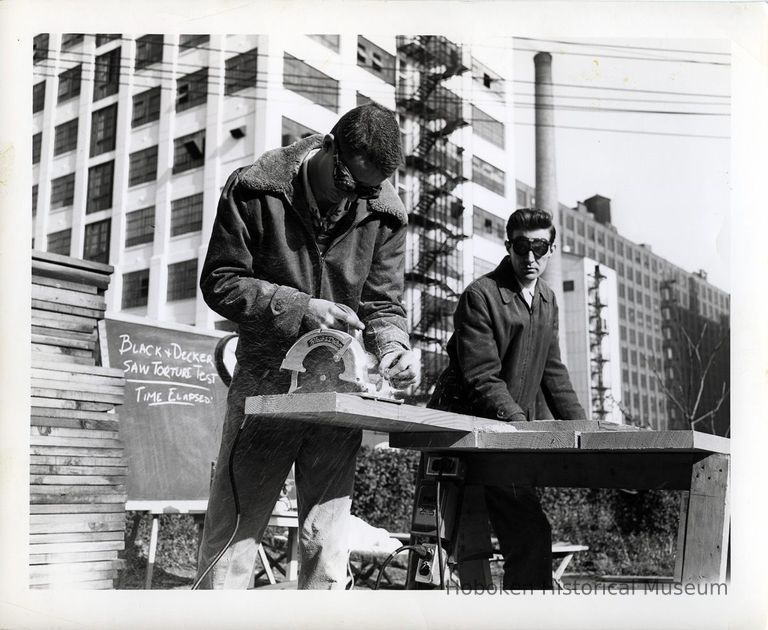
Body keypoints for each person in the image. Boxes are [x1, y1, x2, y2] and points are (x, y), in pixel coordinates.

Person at [196, 103, 419, 589]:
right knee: (235, 534)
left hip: (338, 396)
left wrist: (394, 346)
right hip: (264, 387)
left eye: (369, 191)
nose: (355, 199)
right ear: (328, 145)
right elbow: (220, 282)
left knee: (327, 539)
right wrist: (301, 307)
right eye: (347, 183)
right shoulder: (255, 189)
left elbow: (384, 303)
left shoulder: (383, 212)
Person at [429, 208, 586, 589]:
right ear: (508, 246)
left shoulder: (547, 300)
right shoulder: (480, 296)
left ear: (551, 248)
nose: (530, 258)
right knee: (440, 554)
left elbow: (553, 372)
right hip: (459, 438)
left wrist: (585, 430)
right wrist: (522, 425)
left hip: (506, 439)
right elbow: (482, 375)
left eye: (539, 248)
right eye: (521, 247)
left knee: (531, 538)